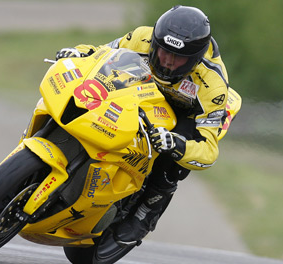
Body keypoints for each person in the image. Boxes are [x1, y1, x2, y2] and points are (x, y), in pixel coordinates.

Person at [55, 5, 241, 246]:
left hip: (186, 111)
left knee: (172, 157)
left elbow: (208, 150)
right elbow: (102, 53)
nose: (168, 61)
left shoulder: (213, 85)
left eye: (178, 58)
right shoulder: (142, 36)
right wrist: (78, 53)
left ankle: (147, 209)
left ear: (194, 60)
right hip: (145, 88)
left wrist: (177, 144)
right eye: (163, 52)